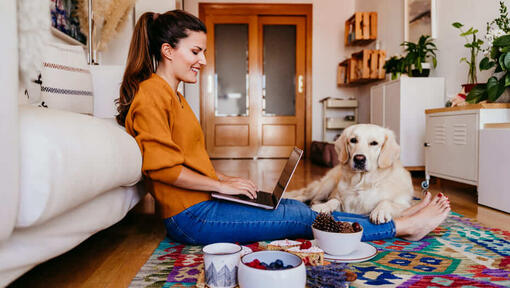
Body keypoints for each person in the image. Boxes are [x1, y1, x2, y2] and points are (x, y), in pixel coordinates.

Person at [116, 10, 451, 245]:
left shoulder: (173, 96)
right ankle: (402, 227)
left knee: (294, 206)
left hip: (204, 201)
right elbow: (163, 171)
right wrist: (222, 186)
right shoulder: (151, 96)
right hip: (191, 219)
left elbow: (186, 161)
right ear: (167, 51)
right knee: (303, 221)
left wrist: (224, 180)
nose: (203, 60)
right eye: (195, 51)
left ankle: (401, 217)